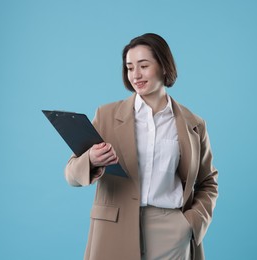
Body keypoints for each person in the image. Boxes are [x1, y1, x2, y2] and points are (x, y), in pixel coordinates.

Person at [65, 33, 218, 260]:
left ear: (164, 67)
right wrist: (91, 160)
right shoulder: (106, 115)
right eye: (129, 68)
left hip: (171, 231)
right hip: (114, 228)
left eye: (143, 66)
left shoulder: (193, 124)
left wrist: (191, 224)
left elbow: (207, 183)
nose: (135, 75)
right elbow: (71, 174)